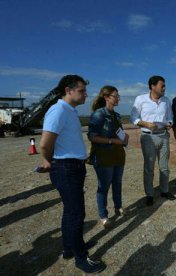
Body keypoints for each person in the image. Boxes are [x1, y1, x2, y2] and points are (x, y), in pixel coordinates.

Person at [39, 75, 105, 273]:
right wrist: (48, 160)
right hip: (66, 167)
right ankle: (81, 258)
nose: (86, 94)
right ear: (69, 90)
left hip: (72, 166)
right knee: (76, 214)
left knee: (70, 211)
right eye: (82, 91)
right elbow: (44, 143)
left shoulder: (69, 110)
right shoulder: (58, 110)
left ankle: (69, 248)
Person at [130, 75, 176, 206]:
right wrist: (146, 124)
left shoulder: (166, 100)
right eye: (162, 85)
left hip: (163, 135)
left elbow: (170, 116)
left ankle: (164, 191)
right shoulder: (140, 99)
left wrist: (170, 123)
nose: (164, 88)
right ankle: (149, 195)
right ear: (152, 86)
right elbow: (133, 117)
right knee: (149, 168)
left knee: (164, 167)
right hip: (148, 137)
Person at [88, 86, 129, 228]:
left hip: (118, 155)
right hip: (103, 156)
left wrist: (124, 138)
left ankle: (118, 207)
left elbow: (120, 133)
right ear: (106, 97)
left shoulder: (116, 116)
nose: (118, 98)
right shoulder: (98, 115)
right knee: (104, 186)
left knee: (117, 183)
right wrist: (113, 141)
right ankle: (103, 215)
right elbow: (92, 137)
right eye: (115, 96)